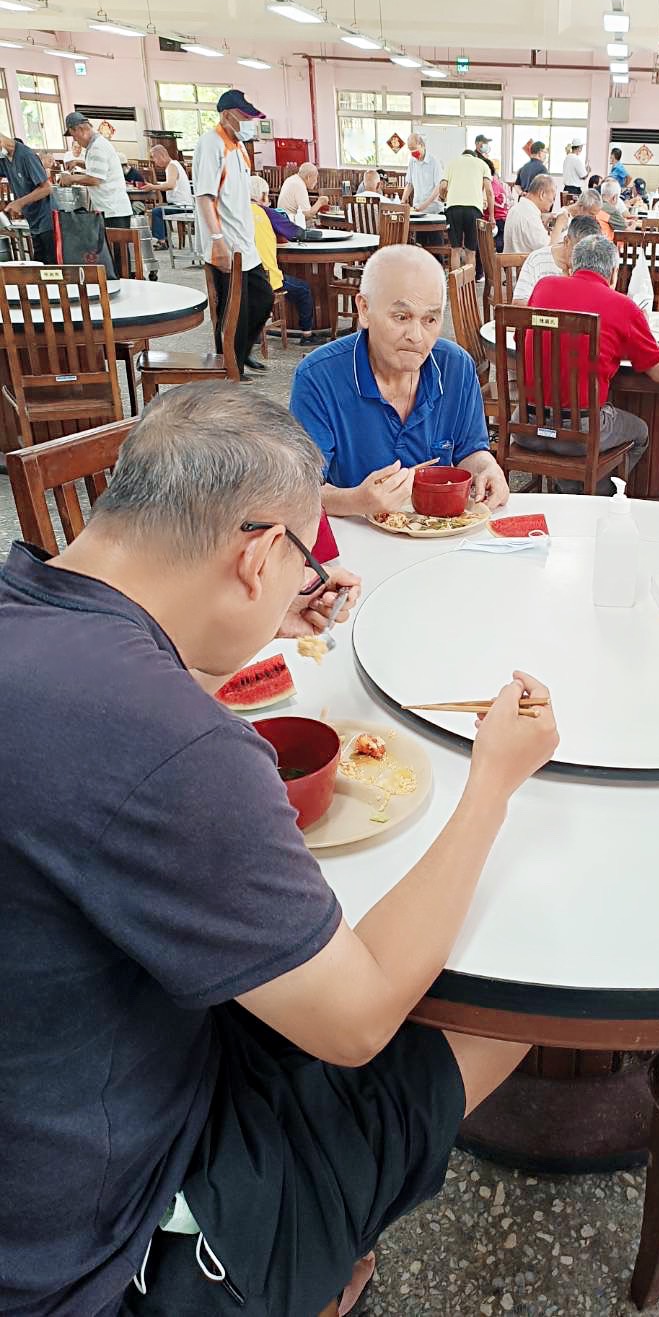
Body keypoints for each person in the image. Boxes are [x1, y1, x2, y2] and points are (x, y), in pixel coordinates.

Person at [0, 381, 557, 1317]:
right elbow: (358, 1016)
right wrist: (494, 779)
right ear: (258, 554)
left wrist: (219, 640)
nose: (303, 584)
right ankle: (305, 1258)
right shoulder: (177, 745)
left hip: (44, 1103)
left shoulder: (27, 605)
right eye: (298, 564)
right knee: (511, 990)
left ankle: (327, 1248)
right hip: (87, 1249)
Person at [290, 244, 507, 516]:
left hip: (437, 531)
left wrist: (487, 468)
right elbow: (298, 489)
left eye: (430, 319)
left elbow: (471, 451)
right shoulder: (318, 377)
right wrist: (355, 501)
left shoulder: (456, 367)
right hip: (354, 538)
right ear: (365, 310)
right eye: (401, 317)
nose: (416, 336)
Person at [521, 233, 659, 490]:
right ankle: (594, 498)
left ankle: (567, 487)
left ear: (571, 265)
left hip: (526, 426)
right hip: (579, 435)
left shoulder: (543, 287)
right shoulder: (623, 307)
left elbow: (532, 340)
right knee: (641, 432)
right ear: (613, 272)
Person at [191, 88, 274, 374]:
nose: (250, 123)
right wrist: (217, 242)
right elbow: (205, 197)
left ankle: (242, 352)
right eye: (244, 117)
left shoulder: (237, 146)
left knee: (263, 299)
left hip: (245, 244)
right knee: (231, 313)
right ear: (227, 115)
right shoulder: (211, 144)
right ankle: (229, 367)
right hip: (226, 245)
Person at [248, 176, 322, 345]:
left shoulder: (237, 211)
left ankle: (255, 331)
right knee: (303, 289)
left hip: (243, 277)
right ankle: (307, 334)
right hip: (266, 278)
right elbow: (294, 232)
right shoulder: (267, 213)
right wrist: (318, 235)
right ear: (264, 195)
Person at [59, 111, 133, 256]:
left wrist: (71, 179)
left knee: (117, 256)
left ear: (80, 129)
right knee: (115, 254)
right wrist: (79, 163)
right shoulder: (96, 144)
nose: (76, 140)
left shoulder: (97, 147)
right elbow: (99, 167)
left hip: (113, 210)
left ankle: (122, 278)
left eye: (74, 136)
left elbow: (95, 179)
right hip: (110, 208)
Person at [512, 211, 602, 304]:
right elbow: (519, 302)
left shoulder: (595, 263)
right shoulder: (538, 259)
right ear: (566, 241)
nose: (584, 258)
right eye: (579, 250)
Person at [0, 129, 58, 263]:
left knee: (51, 264)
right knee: (38, 264)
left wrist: (19, 203)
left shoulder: (26, 155)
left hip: (47, 219)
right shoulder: (4, 159)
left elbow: (46, 188)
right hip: (33, 220)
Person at [443, 146, 494, 272]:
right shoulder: (482, 164)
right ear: (474, 157)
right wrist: (491, 216)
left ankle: (455, 286)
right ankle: (469, 286)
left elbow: (443, 186)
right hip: (474, 209)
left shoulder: (452, 163)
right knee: (471, 251)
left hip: (453, 208)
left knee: (455, 250)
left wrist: (444, 197)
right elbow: (489, 191)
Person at [503, 174, 568, 255]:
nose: (553, 202)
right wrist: (559, 224)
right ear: (542, 194)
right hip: (523, 265)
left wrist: (542, 224)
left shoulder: (517, 208)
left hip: (512, 264)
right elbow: (548, 251)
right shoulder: (530, 215)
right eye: (553, 198)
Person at [148, 143, 193, 247]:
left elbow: (170, 185)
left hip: (182, 206)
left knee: (157, 212)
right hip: (181, 204)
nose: (155, 161)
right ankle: (165, 239)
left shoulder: (171, 166)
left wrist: (153, 187)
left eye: (154, 158)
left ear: (161, 156)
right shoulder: (174, 164)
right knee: (160, 209)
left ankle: (162, 241)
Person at [402, 133, 446, 215]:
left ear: (422, 145)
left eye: (414, 149)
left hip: (433, 209)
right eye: (410, 149)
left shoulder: (434, 162)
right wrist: (402, 201)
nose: (412, 152)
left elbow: (438, 187)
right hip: (417, 208)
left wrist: (424, 205)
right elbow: (409, 184)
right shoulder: (412, 161)